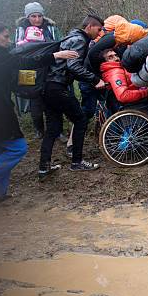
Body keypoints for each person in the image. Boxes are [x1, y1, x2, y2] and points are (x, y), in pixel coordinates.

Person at [0, 22, 77, 202]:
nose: (8, 40)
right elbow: (25, 61)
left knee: (1, 148)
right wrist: (55, 55)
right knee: (18, 148)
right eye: (5, 36)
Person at [38, 15, 107, 180]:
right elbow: (73, 66)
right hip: (57, 86)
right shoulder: (80, 40)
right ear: (89, 26)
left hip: (47, 87)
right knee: (81, 119)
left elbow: (71, 68)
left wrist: (89, 80)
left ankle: (43, 167)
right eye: (98, 30)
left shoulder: (70, 37)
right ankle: (77, 162)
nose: (99, 34)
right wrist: (95, 79)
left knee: (53, 128)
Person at [14, 2, 65, 140]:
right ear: (27, 17)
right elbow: (18, 51)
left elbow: (59, 45)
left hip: (51, 69)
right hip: (31, 71)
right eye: (33, 16)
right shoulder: (21, 30)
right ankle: (39, 130)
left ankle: (58, 131)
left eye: (39, 16)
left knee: (54, 102)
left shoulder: (52, 29)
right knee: (35, 103)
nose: (37, 19)